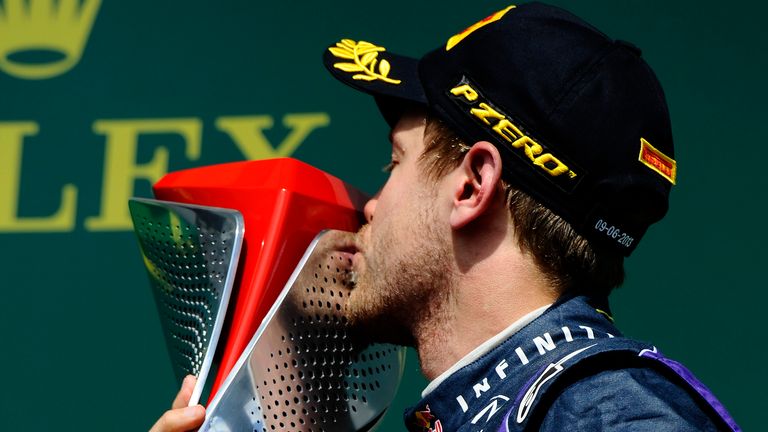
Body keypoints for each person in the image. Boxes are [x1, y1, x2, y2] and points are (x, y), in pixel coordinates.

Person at [151, 2, 740, 431]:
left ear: (472, 185)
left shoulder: (607, 418)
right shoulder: (527, 410)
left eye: (395, 161)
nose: (371, 205)